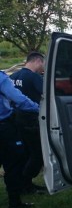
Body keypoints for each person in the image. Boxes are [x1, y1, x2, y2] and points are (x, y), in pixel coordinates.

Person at [0, 70, 40, 208]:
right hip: (4, 126)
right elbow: (19, 99)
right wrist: (39, 109)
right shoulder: (1, 78)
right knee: (14, 163)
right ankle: (14, 203)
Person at [10, 52, 47, 194]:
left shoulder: (13, 77)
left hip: (16, 120)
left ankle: (24, 183)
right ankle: (25, 182)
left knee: (25, 153)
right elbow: (47, 94)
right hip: (32, 120)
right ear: (38, 61)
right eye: (43, 63)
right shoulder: (34, 77)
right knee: (38, 154)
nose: (43, 67)